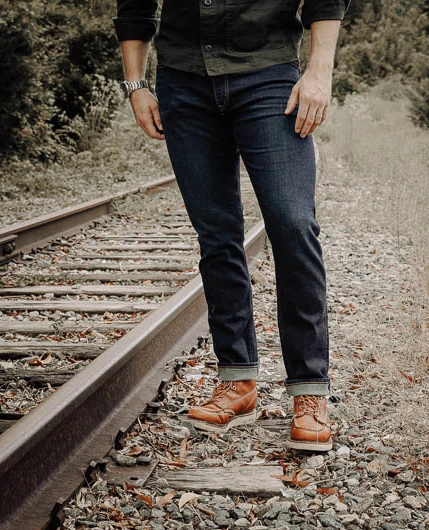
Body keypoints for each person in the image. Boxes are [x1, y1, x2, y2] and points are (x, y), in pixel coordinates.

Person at [113, 0, 348, 452]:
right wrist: (136, 85)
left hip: (268, 75)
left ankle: (309, 390)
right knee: (217, 238)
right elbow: (134, 4)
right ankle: (238, 382)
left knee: (294, 224)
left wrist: (319, 71)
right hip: (184, 84)